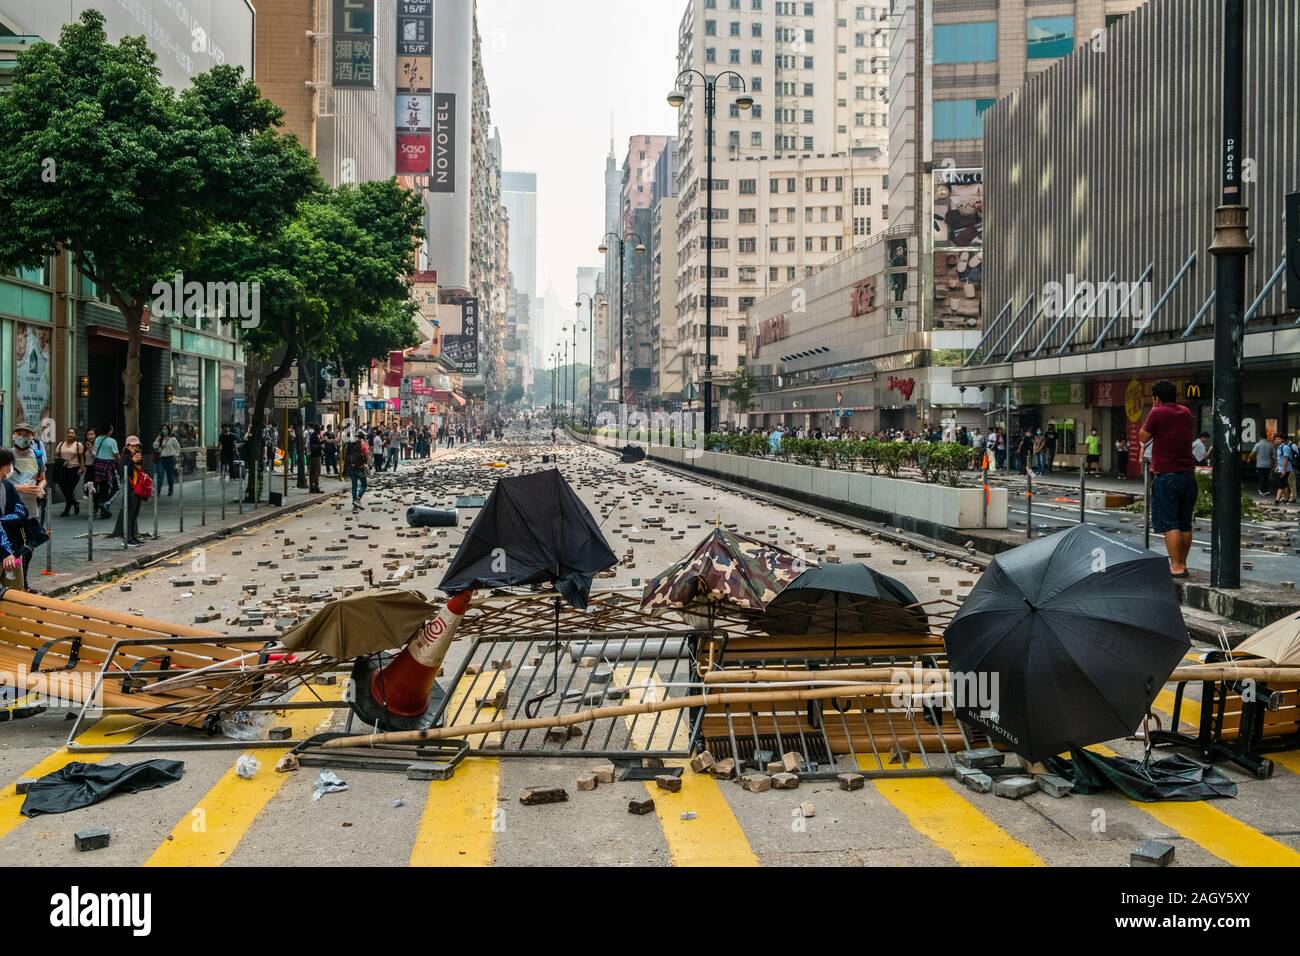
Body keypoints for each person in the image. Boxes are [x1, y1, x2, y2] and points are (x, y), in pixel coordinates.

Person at [1139, 380, 1197, 578]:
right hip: (1188, 475)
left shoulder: (1158, 412)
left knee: (1170, 523)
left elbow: (1143, 437)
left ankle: (1176, 566)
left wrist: (1154, 409)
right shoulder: (1186, 412)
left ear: (1157, 397)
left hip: (1167, 475)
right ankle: (1183, 562)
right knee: (1184, 523)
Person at [10, 423, 48, 586]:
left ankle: (24, 581)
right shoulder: (7, 455)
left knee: (30, 544)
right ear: (13, 436)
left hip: (31, 507)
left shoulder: (37, 455)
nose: (22, 437)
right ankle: (11, 582)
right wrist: (20, 488)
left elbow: (43, 478)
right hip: (10, 506)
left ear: (32, 437)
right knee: (12, 545)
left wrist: (40, 488)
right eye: (19, 433)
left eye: (26, 434)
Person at [0, 448, 32, 589]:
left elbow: (22, 509)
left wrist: (7, 518)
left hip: (13, 552)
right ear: (4, 467)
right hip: (6, 553)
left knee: (15, 593)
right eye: (9, 464)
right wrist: (5, 553)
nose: (11, 468)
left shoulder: (8, 487)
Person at [121, 435, 149, 547]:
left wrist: (139, 462)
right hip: (129, 488)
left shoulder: (138, 456)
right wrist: (132, 461)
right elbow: (124, 471)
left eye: (137, 445)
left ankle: (133, 536)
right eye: (133, 445)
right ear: (127, 446)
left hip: (138, 488)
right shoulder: (124, 457)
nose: (135, 447)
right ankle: (127, 538)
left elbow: (142, 470)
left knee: (135, 513)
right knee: (129, 513)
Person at [91, 423, 120, 519]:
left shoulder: (98, 439)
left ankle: (105, 509)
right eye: (111, 429)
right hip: (108, 466)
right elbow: (116, 454)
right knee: (116, 487)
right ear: (109, 431)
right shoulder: (112, 441)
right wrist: (120, 460)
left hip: (98, 466)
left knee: (103, 487)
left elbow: (94, 452)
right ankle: (104, 503)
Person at [54, 428, 85, 516]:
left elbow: (81, 457)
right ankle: (75, 503)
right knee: (63, 488)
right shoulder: (61, 444)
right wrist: (62, 461)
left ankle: (66, 510)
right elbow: (56, 456)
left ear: (75, 435)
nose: (70, 434)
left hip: (74, 469)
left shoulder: (78, 445)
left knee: (69, 489)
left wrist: (82, 468)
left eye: (72, 433)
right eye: (68, 433)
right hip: (63, 470)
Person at [343, 430, 370, 511]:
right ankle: (357, 499)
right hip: (360, 468)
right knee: (364, 485)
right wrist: (368, 464)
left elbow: (346, 455)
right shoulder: (363, 443)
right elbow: (367, 454)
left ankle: (354, 505)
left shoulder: (350, 444)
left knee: (354, 486)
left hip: (351, 468)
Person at [153, 425, 180, 496]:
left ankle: (170, 490)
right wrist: (158, 439)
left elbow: (178, 447)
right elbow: (154, 446)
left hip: (170, 459)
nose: (164, 430)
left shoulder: (172, 439)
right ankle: (158, 491)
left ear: (168, 430)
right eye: (163, 429)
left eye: (165, 429)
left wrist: (176, 455)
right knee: (160, 474)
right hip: (161, 459)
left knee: (169, 475)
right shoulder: (160, 438)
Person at [1272, 434, 1293, 506]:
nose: (1276, 440)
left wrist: (1284, 470)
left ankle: (1277, 500)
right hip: (1281, 468)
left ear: (1283, 440)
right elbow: (1279, 459)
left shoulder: (1285, 447)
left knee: (1280, 484)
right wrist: (1277, 467)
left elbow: (1285, 459)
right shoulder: (1279, 448)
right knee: (1284, 484)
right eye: (1275, 439)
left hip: (1285, 469)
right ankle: (1286, 499)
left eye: (1278, 439)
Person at [307, 422, 323, 494]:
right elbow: (313, 447)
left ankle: (315, 486)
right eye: (318, 429)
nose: (320, 430)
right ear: (315, 429)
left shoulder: (317, 436)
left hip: (317, 456)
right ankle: (313, 487)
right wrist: (320, 444)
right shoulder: (313, 436)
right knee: (314, 472)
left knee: (316, 472)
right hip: (314, 457)